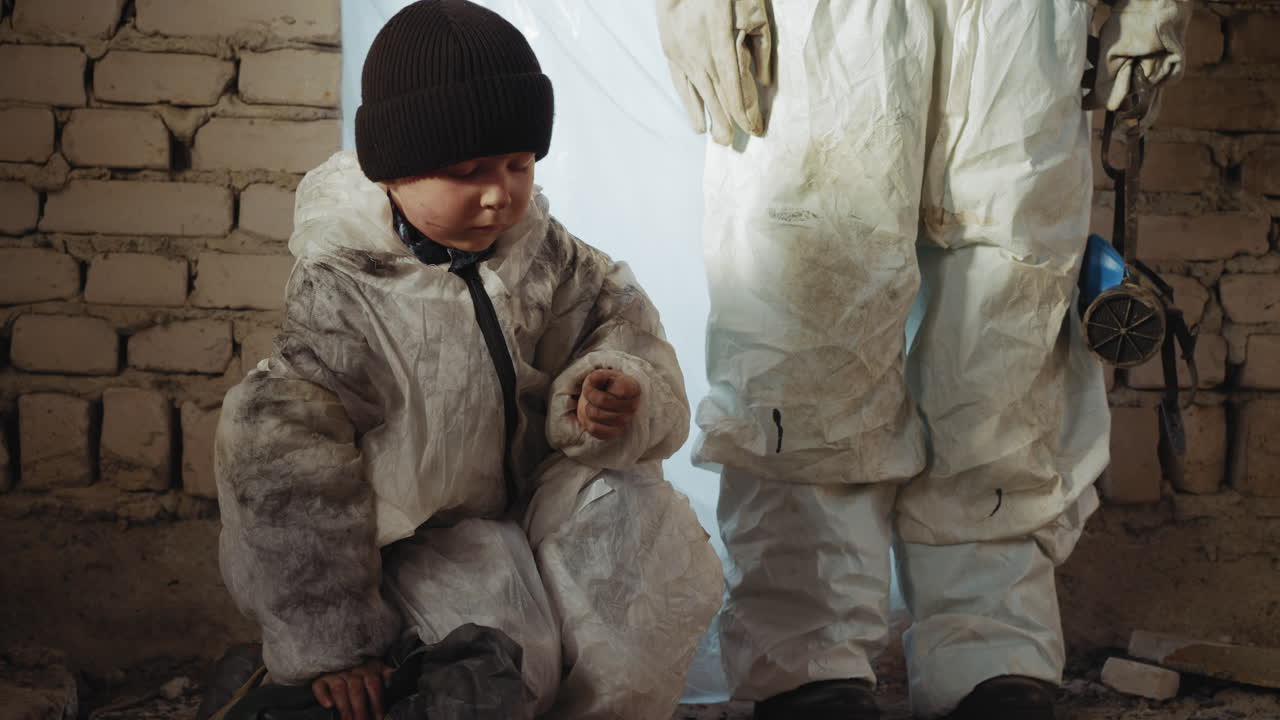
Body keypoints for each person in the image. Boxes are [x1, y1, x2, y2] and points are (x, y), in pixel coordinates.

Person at [655, 0, 1191, 718]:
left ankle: (992, 656)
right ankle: (809, 668)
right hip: (818, 22)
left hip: (1021, 22)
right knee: (806, 327)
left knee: (1006, 335)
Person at [213, 2, 722, 718]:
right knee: (501, 665)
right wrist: (333, 639)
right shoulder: (348, 289)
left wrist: (608, 388)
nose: (500, 194)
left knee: (632, 519)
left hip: (533, 515)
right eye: (466, 171)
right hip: (420, 550)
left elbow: (620, 329)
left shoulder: (546, 256)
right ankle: (332, 691)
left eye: (519, 164)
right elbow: (288, 464)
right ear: (392, 170)